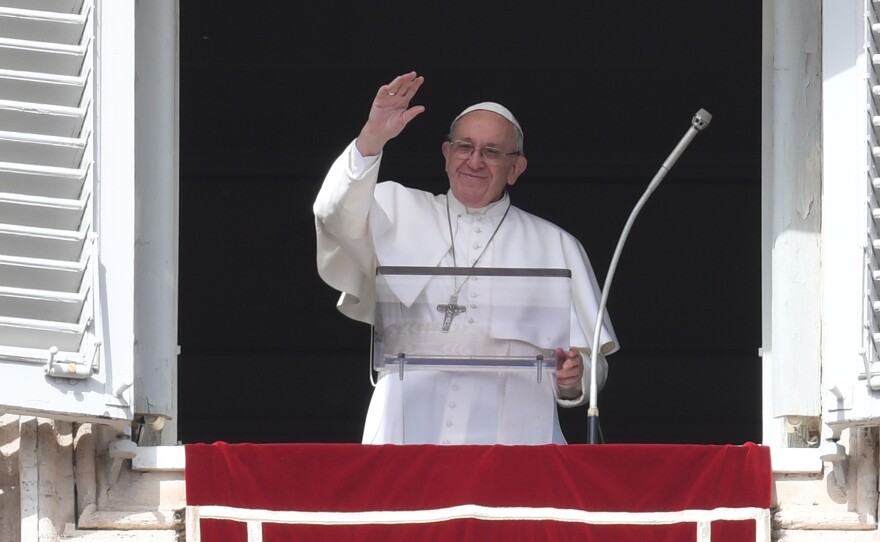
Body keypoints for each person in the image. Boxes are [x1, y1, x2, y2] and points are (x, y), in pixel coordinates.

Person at [313, 71, 618, 445]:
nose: (474, 161)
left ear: (515, 169)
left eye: (491, 152)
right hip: (404, 431)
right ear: (446, 155)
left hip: (516, 441)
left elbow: (591, 366)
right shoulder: (396, 208)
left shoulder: (556, 245)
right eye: (464, 147)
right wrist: (372, 138)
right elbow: (332, 212)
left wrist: (574, 378)